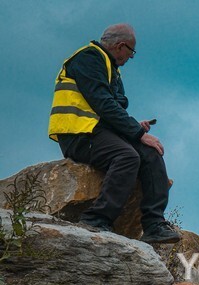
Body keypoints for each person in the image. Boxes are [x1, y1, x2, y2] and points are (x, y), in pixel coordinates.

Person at [48, 23, 180, 244]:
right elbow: (104, 103)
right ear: (121, 46)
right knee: (127, 156)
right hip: (78, 134)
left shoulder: (110, 68)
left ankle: (154, 224)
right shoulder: (88, 59)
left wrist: (134, 127)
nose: (130, 57)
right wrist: (137, 132)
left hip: (97, 130)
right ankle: (96, 219)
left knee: (151, 153)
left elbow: (115, 104)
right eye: (131, 52)